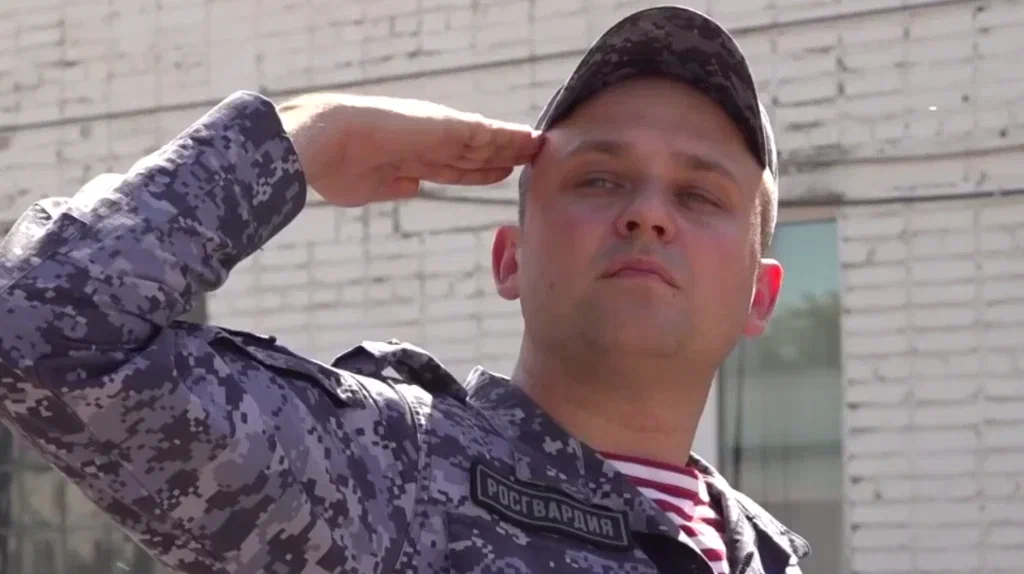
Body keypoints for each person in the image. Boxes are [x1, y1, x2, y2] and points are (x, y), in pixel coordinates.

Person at [0, 5, 810, 574]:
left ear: (760, 296)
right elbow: (42, 321)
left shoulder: (765, 555)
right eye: (599, 179)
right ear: (510, 259)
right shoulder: (384, 474)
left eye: (699, 194)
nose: (648, 214)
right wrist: (306, 137)